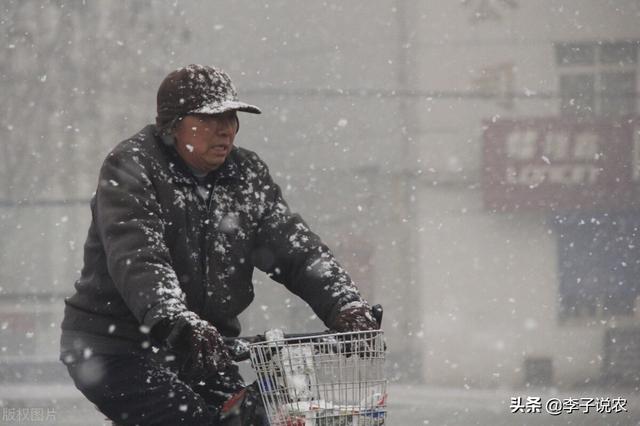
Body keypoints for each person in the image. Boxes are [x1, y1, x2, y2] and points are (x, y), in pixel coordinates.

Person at [59, 64, 378, 425]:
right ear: (173, 125)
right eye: (210, 119)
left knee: (256, 417)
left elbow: (297, 250)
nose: (225, 129)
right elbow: (139, 258)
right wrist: (175, 320)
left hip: (205, 348)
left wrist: (344, 303)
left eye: (231, 118)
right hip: (115, 348)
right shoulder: (132, 167)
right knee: (193, 420)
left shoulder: (246, 176)